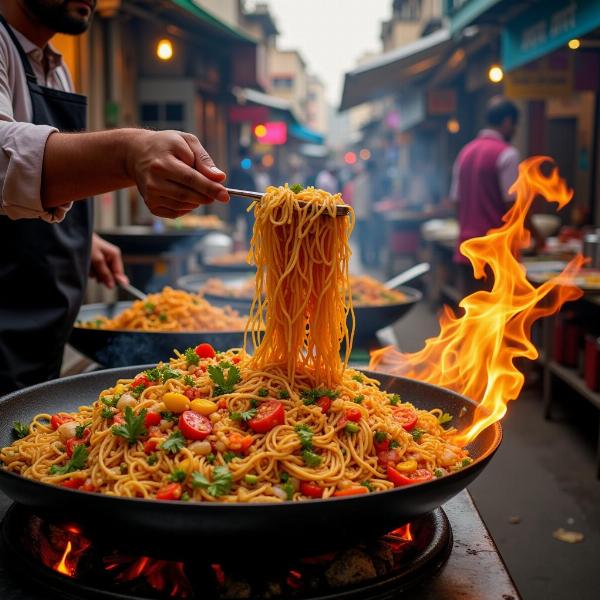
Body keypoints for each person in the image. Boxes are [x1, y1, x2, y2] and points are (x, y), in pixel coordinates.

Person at [0, 0, 228, 394]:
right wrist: (127, 153)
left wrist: (82, 242)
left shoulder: (56, 67)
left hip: (45, 339)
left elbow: (37, 190)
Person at [449, 96, 536, 294]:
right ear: (507, 122)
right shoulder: (508, 154)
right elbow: (514, 207)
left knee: (471, 319)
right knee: (497, 319)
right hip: (495, 254)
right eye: (515, 125)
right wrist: (534, 236)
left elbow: (455, 202)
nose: (515, 131)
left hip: (466, 249)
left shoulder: (465, 153)